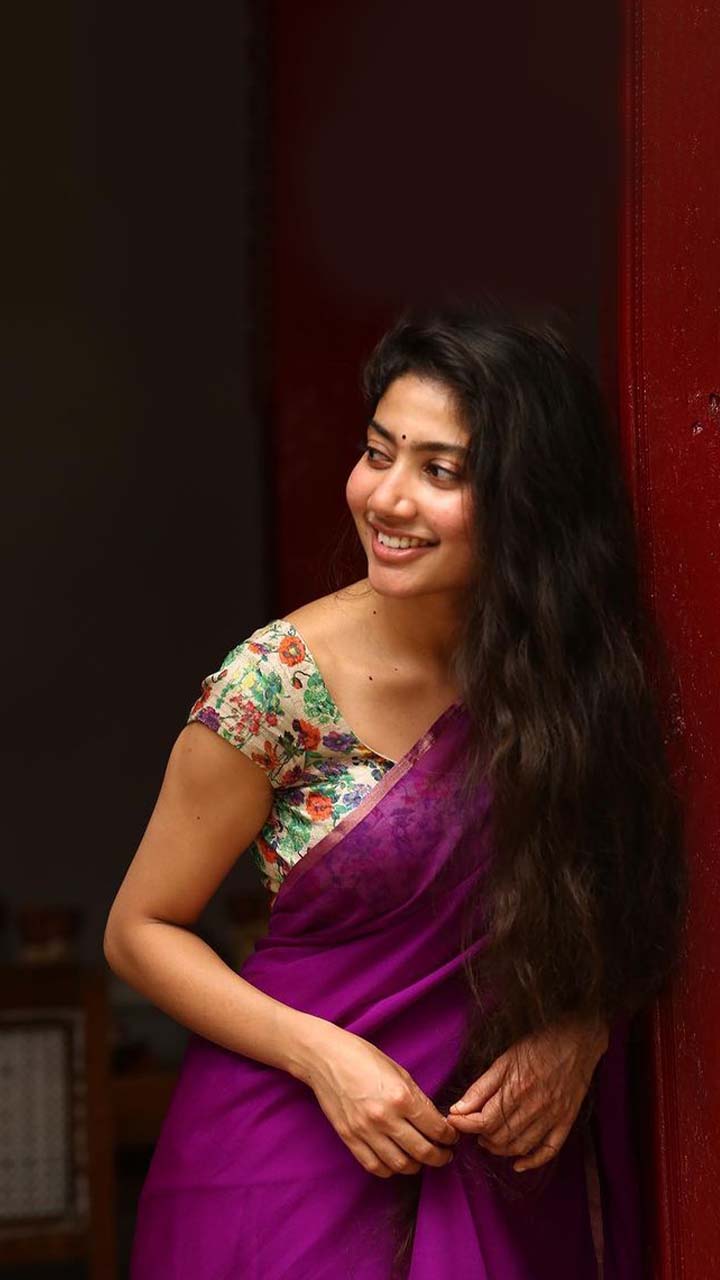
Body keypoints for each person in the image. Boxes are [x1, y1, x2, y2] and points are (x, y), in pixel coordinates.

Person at [105, 297, 687, 1279]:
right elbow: (140, 929)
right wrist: (325, 1056)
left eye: (441, 471)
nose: (387, 498)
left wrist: (580, 1030)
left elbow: (634, 895)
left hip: (507, 1165)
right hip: (287, 1160)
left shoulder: (580, 675)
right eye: (378, 453)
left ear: (529, 498)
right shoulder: (275, 684)